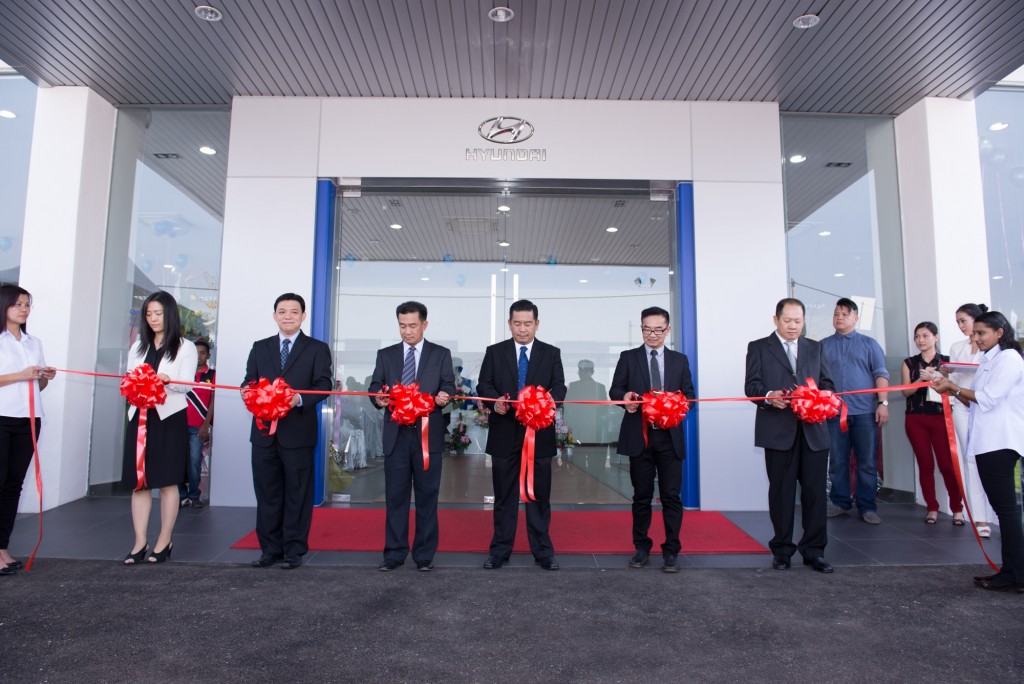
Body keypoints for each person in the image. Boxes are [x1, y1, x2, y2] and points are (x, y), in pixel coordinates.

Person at [933, 311, 1024, 592]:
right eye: (975, 334)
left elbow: (989, 398)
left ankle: (1017, 574)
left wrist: (954, 387)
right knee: (1003, 511)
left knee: (1006, 512)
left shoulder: (1008, 358)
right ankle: (1011, 571)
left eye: (981, 333)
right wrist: (954, 391)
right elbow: (976, 402)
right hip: (987, 442)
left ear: (999, 332)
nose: (976, 339)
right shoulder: (988, 360)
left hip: (1000, 442)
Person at [745, 298, 835, 573]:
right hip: (778, 431)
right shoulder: (759, 347)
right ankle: (782, 550)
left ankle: (814, 550)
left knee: (815, 494)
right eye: (787, 321)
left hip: (813, 432)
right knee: (782, 494)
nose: (793, 326)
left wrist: (820, 398)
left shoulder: (815, 347)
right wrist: (770, 397)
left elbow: (828, 384)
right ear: (776, 320)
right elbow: (752, 387)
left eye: (798, 321)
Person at [244, 293, 333, 570]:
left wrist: (298, 400)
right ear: (274, 315)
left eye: (294, 312)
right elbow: (248, 380)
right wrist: (249, 393)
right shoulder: (260, 347)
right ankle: (269, 550)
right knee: (267, 493)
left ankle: (294, 550)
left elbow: (323, 385)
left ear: (303, 316)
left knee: (297, 493)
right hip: (263, 434)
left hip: (298, 432)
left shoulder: (317, 348)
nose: (287, 316)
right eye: (282, 311)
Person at [477, 299, 566, 570]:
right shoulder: (495, 352)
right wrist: (496, 402)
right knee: (504, 496)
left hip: (538, 434)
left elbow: (559, 389)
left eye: (528, 323)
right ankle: (500, 551)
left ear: (537, 324)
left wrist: (545, 403)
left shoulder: (551, 353)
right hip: (504, 432)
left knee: (539, 495)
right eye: (517, 323)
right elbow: (484, 384)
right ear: (509, 323)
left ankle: (543, 552)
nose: (522, 329)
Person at [368, 301, 455, 572]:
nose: (407, 331)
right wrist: (378, 398)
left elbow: (448, 386)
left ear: (424, 325)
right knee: (396, 497)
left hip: (428, 435)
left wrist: (444, 397)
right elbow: (374, 386)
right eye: (402, 326)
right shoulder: (386, 354)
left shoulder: (440, 354)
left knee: (428, 496)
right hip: (396, 435)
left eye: (413, 326)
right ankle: (394, 554)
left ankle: (424, 556)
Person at [609, 306, 694, 572]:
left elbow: (689, 396)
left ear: (667, 330)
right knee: (641, 496)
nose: (652, 334)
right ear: (641, 328)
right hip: (640, 436)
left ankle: (671, 551)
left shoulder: (680, 360)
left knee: (671, 496)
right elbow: (615, 390)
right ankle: (641, 547)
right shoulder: (629, 357)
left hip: (670, 438)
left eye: (658, 329)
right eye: (647, 329)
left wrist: (673, 408)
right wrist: (625, 401)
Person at [122, 291, 198, 564]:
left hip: (168, 418)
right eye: (149, 314)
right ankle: (139, 542)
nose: (153, 319)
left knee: (167, 482)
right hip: (139, 417)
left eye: (159, 313)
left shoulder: (184, 347)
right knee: (138, 483)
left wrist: (168, 380)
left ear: (170, 315)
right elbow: (129, 380)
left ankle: (164, 540)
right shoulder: (138, 347)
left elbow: (188, 385)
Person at [0, 285, 56, 576]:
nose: (23, 309)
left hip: (30, 419)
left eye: (27, 304)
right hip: (2, 417)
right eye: (17, 304)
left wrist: (45, 376)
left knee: (12, 487)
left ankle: (2, 549)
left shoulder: (34, 342)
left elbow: (37, 385)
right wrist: (21, 375)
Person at [821, 297, 890, 524]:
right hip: (833, 414)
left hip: (864, 413)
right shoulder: (823, 345)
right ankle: (840, 502)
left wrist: (883, 404)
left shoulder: (870, 344)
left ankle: (867, 505)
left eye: (844, 314)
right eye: (836, 314)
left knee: (866, 462)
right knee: (838, 461)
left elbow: (881, 375)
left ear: (855, 318)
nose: (839, 318)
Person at [900, 322, 963, 524]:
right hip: (915, 418)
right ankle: (932, 507)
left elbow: (954, 389)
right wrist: (920, 379)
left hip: (941, 418)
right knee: (925, 465)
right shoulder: (909, 363)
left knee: (947, 465)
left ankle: (957, 509)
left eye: (925, 336)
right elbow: (905, 392)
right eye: (917, 336)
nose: (920, 340)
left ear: (936, 337)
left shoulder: (947, 363)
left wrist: (936, 377)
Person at [944, 303, 995, 537]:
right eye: (957, 322)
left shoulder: (993, 349)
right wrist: (944, 373)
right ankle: (979, 518)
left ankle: (992, 513)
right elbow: (954, 376)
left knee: (989, 459)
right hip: (962, 406)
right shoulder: (957, 347)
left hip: (985, 407)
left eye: (963, 320)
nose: (960, 326)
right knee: (969, 459)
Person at [179, 338, 215, 508]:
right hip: (178, 425)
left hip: (198, 427)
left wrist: (206, 425)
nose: (199, 356)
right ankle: (180, 495)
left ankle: (194, 496)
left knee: (194, 462)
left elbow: (213, 402)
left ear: (208, 355)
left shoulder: (212, 375)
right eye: (196, 353)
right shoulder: (183, 374)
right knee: (177, 462)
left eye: (202, 353)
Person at [565, 359, 610, 445]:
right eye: (580, 370)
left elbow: (604, 407)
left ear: (592, 372)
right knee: (577, 455)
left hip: (593, 426)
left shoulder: (599, 387)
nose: (582, 373)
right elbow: (568, 406)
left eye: (585, 370)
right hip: (576, 426)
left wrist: (594, 417)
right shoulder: (573, 386)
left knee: (594, 454)